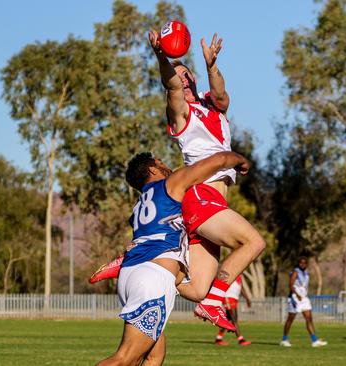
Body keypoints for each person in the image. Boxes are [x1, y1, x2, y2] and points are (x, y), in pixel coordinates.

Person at [146, 28, 266, 330]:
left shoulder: (213, 105)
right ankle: (215, 304)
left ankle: (140, 262)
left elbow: (222, 95)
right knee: (253, 241)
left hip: (210, 202)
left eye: (186, 75)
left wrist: (212, 66)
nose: (182, 79)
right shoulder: (181, 114)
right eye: (177, 76)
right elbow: (172, 87)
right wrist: (163, 56)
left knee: (198, 288)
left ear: (196, 81)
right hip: (201, 196)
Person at [97, 150, 250, 366]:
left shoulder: (138, 206)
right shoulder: (169, 185)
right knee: (125, 358)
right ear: (152, 169)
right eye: (161, 163)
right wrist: (240, 160)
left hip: (132, 274)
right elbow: (220, 160)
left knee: (153, 356)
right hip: (152, 278)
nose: (167, 167)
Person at [280, 257, 327, 348]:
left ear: (307, 264)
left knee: (309, 318)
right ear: (298, 263)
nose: (303, 264)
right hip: (294, 298)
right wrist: (297, 295)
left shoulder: (306, 274)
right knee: (290, 319)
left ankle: (314, 340)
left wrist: (303, 295)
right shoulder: (295, 272)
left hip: (304, 298)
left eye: (304, 263)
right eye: (301, 263)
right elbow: (290, 285)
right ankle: (284, 339)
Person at [214, 274, 252, 346]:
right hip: (228, 296)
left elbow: (241, 287)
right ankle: (241, 339)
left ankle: (218, 338)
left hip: (234, 298)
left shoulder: (239, 274)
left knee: (229, 320)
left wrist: (247, 298)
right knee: (234, 318)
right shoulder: (230, 271)